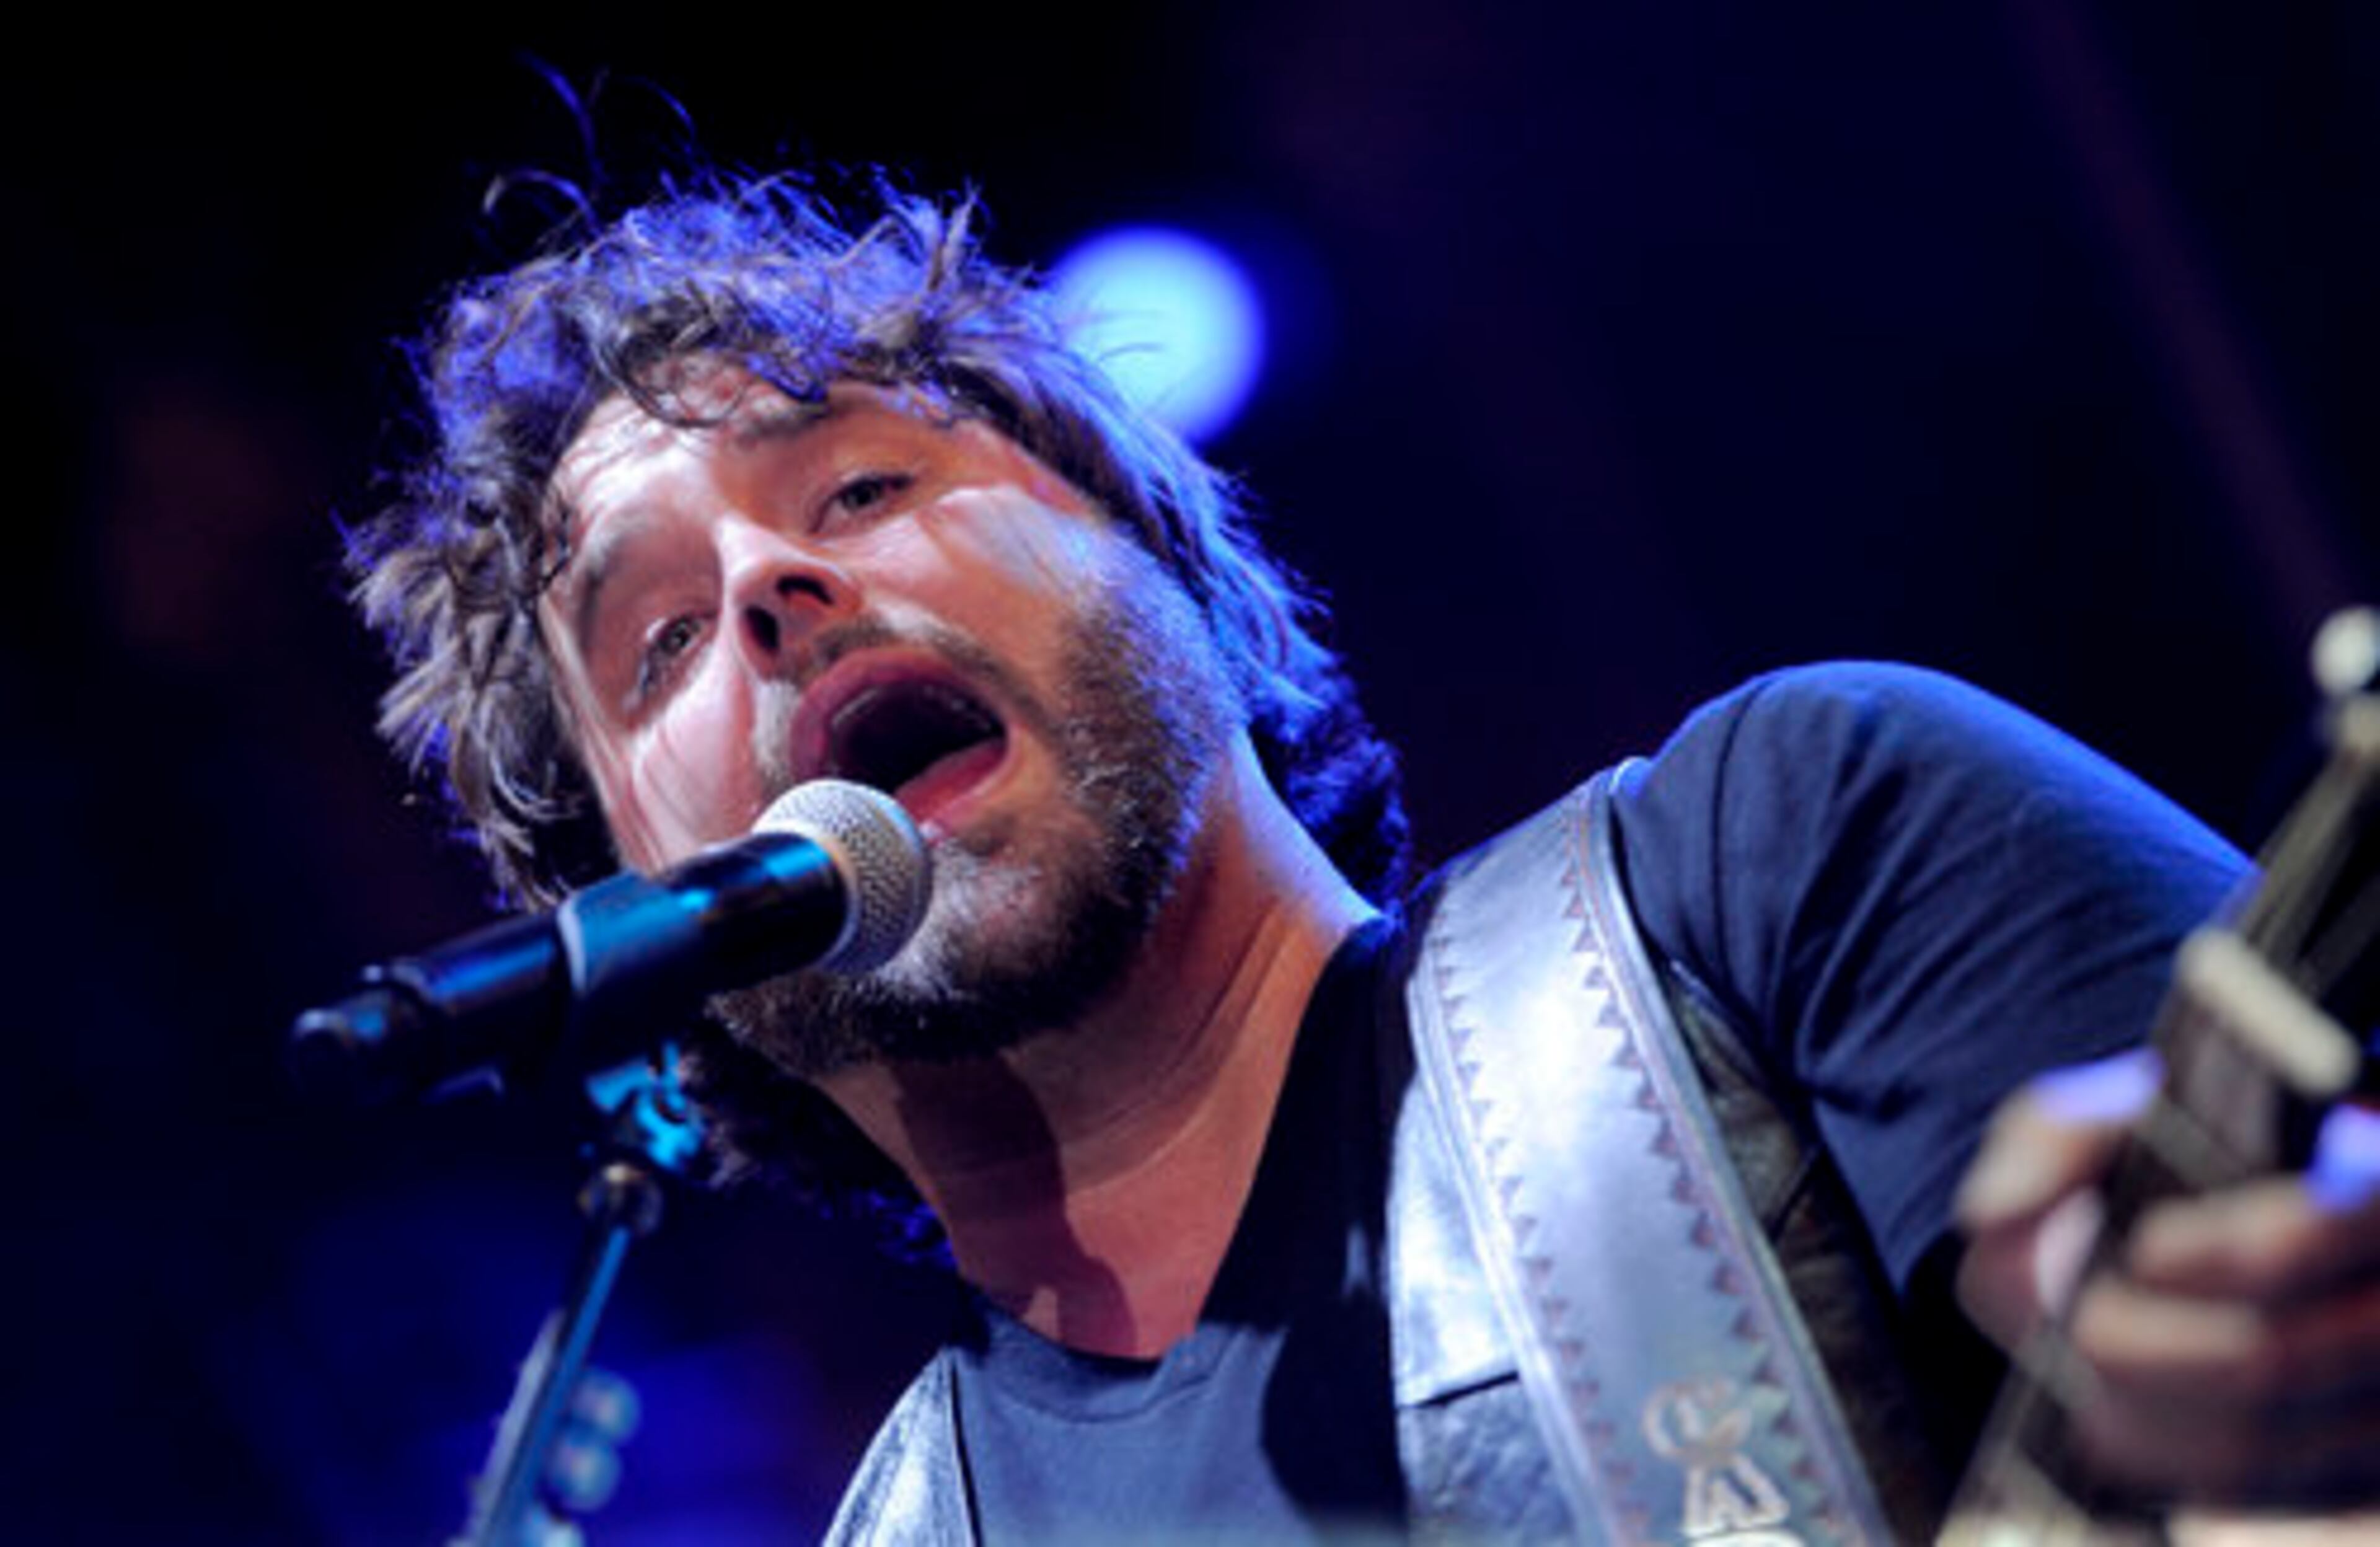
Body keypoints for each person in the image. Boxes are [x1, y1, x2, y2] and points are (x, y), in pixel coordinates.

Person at [348, 174, 2380, 1541]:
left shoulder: (1781, 860)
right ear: (637, 918)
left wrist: (2252, 1390)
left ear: (1162, 566)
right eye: (662, 640)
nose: (778, 583)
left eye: (864, 482)